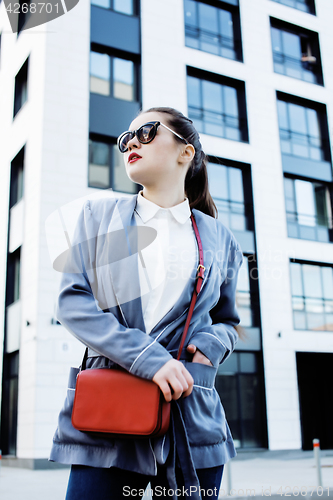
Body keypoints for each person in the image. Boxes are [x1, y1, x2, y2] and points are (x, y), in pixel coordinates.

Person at [49, 107, 244, 499]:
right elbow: (73, 301)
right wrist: (150, 360)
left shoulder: (221, 239)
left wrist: (211, 346)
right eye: (126, 139)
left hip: (191, 421)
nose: (131, 142)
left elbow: (227, 321)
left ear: (185, 152)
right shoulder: (98, 216)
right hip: (108, 420)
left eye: (147, 132)